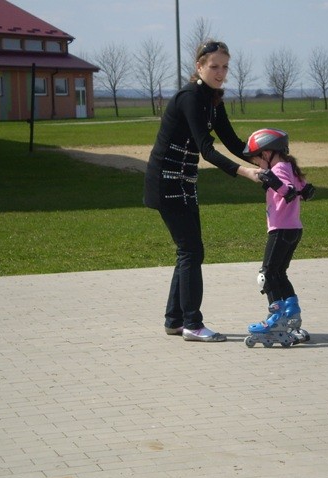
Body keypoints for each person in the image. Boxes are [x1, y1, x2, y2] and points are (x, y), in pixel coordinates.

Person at [143, 40, 263, 342]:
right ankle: (192, 325)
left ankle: (175, 320)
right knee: (191, 250)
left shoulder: (213, 101)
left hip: (185, 183)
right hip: (166, 182)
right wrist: (246, 172)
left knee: (189, 250)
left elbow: (234, 143)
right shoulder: (190, 98)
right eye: (214, 66)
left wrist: (266, 159)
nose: (220, 72)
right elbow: (207, 150)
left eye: (225, 67)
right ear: (199, 66)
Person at [242, 128, 315, 345]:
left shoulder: (279, 169)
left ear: (266, 153)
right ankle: (292, 315)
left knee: (266, 275)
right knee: (279, 273)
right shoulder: (289, 166)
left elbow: (289, 191)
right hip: (293, 229)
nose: (257, 165)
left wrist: (272, 180)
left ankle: (276, 320)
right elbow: (305, 191)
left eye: (257, 160)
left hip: (281, 229)